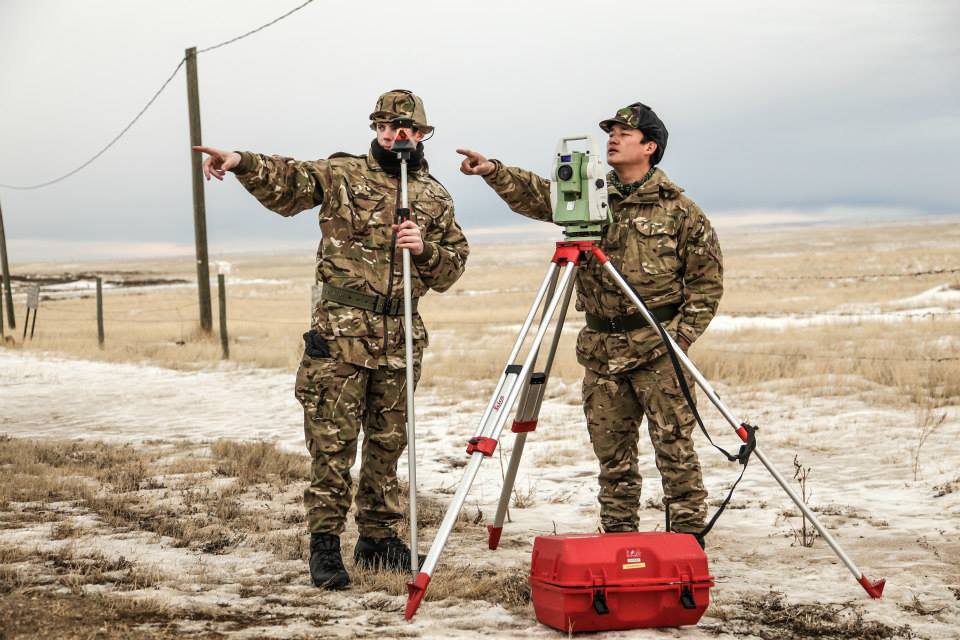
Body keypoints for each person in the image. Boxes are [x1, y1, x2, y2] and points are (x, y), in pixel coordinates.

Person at [194, 89, 469, 588]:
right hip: (340, 338)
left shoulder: (434, 196)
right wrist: (239, 162)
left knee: (388, 446)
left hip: (400, 336)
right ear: (376, 131)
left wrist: (424, 248)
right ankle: (325, 544)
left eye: (404, 127)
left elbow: (451, 266)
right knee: (332, 447)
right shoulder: (344, 175)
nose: (394, 135)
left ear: (423, 134)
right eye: (385, 127)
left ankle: (378, 539)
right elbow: (291, 179)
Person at [456, 102, 722, 543]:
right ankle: (618, 541)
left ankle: (687, 546)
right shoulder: (590, 196)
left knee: (676, 454)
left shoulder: (680, 211)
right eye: (611, 133)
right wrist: (493, 170)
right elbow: (540, 194)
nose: (613, 139)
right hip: (602, 347)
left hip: (659, 350)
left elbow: (707, 283)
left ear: (650, 147)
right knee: (613, 459)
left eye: (625, 133)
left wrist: (680, 339)